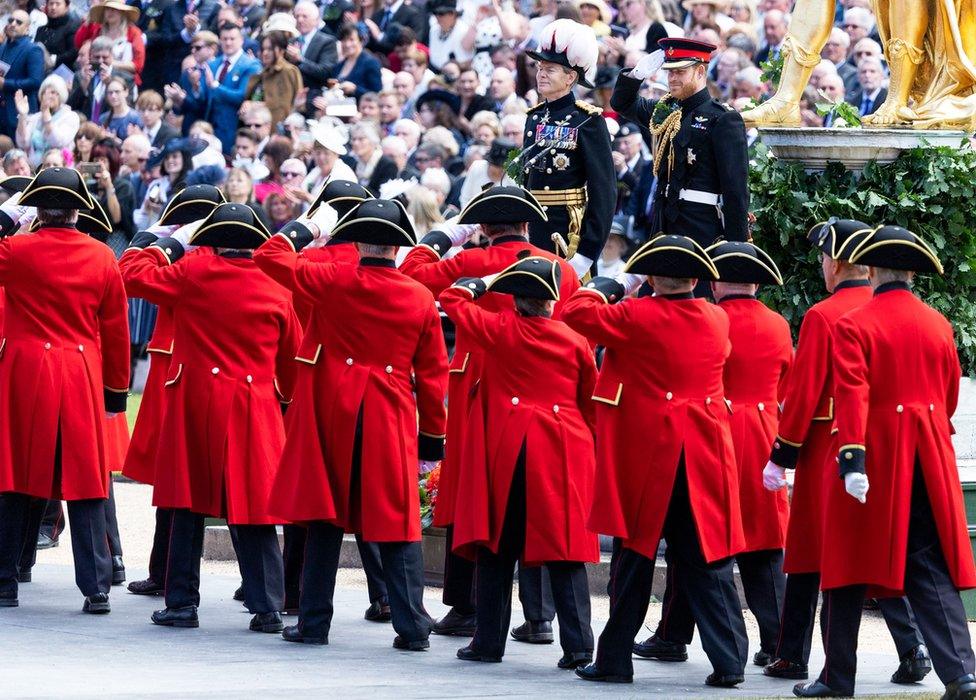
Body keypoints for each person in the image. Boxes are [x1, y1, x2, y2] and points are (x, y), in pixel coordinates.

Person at [253, 198, 448, 650]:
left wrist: (311, 226)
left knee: (324, 515)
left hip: (333, 408)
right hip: (389, 411)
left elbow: (268, 256)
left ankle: (313, 623)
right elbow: (434, 376)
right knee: (398, 520)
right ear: (398, 248)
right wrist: (433, 438)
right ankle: (413, 625)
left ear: (358, 240)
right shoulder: (419, 296)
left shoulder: (332, 279)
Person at [564, 234, 749, 687]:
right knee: (708, 561)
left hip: (650, 458)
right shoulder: (717, 318)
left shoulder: (635, 314)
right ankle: (730, 662)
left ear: (649, 277)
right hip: (702, 453)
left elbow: (573, 311)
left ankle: (613, 659)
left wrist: (616, 285)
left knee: (634, 561)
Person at [400, 186, 581, 642]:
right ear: (528, 224)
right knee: (538, 495)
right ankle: (538, 616)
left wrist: (446, 237)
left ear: (482, 227)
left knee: (471, 494)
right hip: (543, 383)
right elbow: (573, 322)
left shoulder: (471, 261)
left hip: (478, 386)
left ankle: (467, 606)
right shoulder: (557, 265)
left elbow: (411, 272)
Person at [760, 219, 933, 686]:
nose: (821, 267)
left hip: (828, 449)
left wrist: (782, 454)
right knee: (873, 550)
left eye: (823, 259)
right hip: (884, 443)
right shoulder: (898, 308)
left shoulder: (823, 314)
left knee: (813, 559)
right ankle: (912, 644)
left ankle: (792, 655)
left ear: (837, 263)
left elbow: (804, 394)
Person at [122, 203, 301, 632]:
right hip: (253, 403)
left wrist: (170, 238)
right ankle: (267, 606)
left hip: (196, 399)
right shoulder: (277, 284)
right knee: (252, 506)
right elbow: (292, 357)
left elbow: (130, 270)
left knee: (186, 502)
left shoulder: (193, 273)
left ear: (212, 239)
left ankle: (182, 602)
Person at [634, 241, 792, 668]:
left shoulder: (709, 316)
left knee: (696, 541)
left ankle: (672, 633)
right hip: (761, 437)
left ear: (715, 279)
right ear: (757, 282)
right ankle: (777, 642)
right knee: (764, 548)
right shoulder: (778, 324)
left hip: (710, 433)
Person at [440, 252, 597, 670]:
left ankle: (488, 642)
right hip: (560, 450)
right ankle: (580, 646)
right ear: (551, 302)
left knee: (497, 550)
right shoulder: (575, 340)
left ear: (513, 299)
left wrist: (485, 282)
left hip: (508, 451)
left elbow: (451, 299)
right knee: (565, 553)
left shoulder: (498, 327)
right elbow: (589, 401)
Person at [0, 167, 130, 612]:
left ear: (37, 209)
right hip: (79, 371)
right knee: (87, 481)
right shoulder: (101, 257)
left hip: (25, 372)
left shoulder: (16, 250)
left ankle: (4, 580)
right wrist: (115, 394)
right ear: (79, 211)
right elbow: (115, 332)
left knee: (14, 477)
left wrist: (5, 218)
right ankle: (96, 587)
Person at [120, 185, 225, 597]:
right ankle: (268, 591)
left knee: (176, 478)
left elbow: (128, 275)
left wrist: (155, 241)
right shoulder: (214, 258)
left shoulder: (185, 260)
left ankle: (168, 573)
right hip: (199, 370)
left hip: (177, 369)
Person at [610, 38, 750, 255]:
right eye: (670, 72)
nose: (672, 78)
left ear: (700, 72)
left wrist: (737, 249)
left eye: (680, 72)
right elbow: (622, 104)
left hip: (700, 225)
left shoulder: (722, 118)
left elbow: (735, 191)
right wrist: (635, 76)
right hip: (663, 222)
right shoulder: (665, 109)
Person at [519, 19, 614, 278]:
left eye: (550, 69)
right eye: (540, 67)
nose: (541, 74)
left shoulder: (588, 120)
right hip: (533, 228)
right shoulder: (534, 117)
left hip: (568, 231)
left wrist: (587, 252)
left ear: (571, 77)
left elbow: (603, 191)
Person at [180, 23, 261, 155]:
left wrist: (215, 86)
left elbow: (241, 96)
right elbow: (203, 98)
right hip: (209, 128)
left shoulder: (251, 65)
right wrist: (196, 86)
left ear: (241, 40)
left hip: (233, 128)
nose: (228, 43)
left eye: (232, 39)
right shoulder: (212, 64)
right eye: (224, 39)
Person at [13, 75, 78, 169]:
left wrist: (46, 115)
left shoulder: (70, 116)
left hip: (59, 170)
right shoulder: (35, 118)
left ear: (61, 94)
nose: (48, 96)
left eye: (53, 92)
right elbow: (22, 143)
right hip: (35, 170)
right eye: (45, 92)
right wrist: (23, 116)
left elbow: (57, 141)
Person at [67, 36, 135, 125]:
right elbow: (71, 106)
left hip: (110, 126)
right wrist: (84, 86)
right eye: (97, 57)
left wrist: (109, 84)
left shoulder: (126, 78)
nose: (100, 61)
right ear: (90, 56)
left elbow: (127, 107)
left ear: (112, 56)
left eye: (105, 57)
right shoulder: (80, 76)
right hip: (85, 127)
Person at [75, 0, 145, 82]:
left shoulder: (134, 32)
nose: (110, 12)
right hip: (99, 77)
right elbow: (79, 44)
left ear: (122, 12)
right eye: (107, 9)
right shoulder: (99, 31)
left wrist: (110, 63)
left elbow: (138, 65)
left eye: (114, 9)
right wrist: (87, 23)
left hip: (124, 80)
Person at [0, 10, 44, 139]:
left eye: (18, 22)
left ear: (27, 29)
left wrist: (5, 84)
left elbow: (35, 81)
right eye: (10, 20)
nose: (13, 24)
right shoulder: (2, 47)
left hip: (19, 112)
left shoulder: (33, 49)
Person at [288, 2, 338, 115]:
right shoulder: (291, 42)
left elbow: (326, 72)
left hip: (314, 101)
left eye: (304, 16)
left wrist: (301, 60)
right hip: (291, 98)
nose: (300, 20)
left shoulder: (327, 41)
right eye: (297, 16)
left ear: (316, 19)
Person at [247, 31, 304, 128]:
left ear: (281, 50)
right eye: (263, 49)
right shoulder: (261, 73)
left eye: (270, 49)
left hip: (276, 130)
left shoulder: (288, 71)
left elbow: (283, 106)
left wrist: (259, 105)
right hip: (256, 128)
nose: (265, 53)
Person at [330, 23, 383, 99]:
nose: (347, 44)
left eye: (351, 40)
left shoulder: (371, 63)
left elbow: (377, 94)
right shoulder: (339, 64)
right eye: (344, 40)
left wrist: (355, 90)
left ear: (361, 41)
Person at [34, 0, 81, 72]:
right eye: (51, 4)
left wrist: (54, 59)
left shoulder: (73, 27)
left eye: (57, 4)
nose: (53, 7)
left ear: (66, 7)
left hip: (64, 73)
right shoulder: (41, 29)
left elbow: (73, 52)